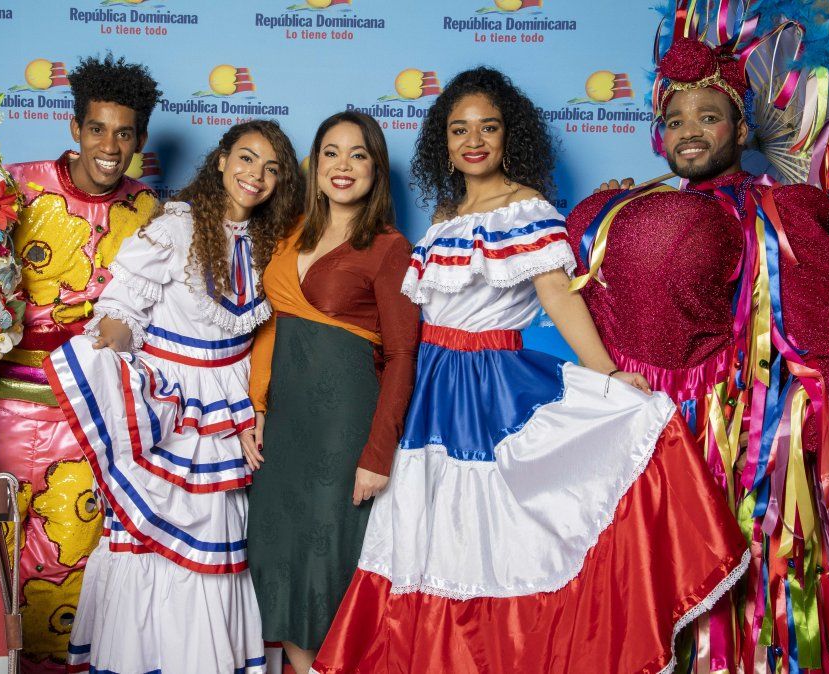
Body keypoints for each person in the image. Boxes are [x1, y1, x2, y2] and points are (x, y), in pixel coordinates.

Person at [311, 67, 749, 674]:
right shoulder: (441, 216)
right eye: (460, 128)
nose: (474, 140)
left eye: (488, 127)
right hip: (427, 392)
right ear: (444, 141)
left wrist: (608, 375)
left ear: (507, 136)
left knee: (490, 547)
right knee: (421, 542)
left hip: (491, 391)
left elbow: (560, 296)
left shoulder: (526, 208)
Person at [566, 38, 829, 673]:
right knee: (649, 590)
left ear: (740, 128)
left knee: (729, 599)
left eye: (709, 117)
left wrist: (799, 423)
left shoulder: (775, 212)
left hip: (727, 431)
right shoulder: (632, 202)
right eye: (675, 120)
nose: (689, 132)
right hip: (639, 427)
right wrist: (610, 212)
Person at [0, 54, 161, 672]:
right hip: (1, 418)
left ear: (140, 141)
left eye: (124, 133)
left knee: (71, 564)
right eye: (98, 129)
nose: (110, 145)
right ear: (74, 129)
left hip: (87, 418)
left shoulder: (151, 213)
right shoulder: (13, 190)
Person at [43, 120, 302, 673]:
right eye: (246, 158)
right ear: (220, 161)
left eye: (271, 168)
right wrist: (108, 355)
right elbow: (120, 309)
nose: (255, 175)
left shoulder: (271, 244)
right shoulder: (176, 228)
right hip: (172, 408)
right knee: (157, 548)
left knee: (224, 547)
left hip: (232, 414)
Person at [245, 110, 420, 674]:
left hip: (344, 433)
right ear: (314, 163)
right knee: (279, 563)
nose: (343, 166)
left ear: (375, 168)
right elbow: (270, 324)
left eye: (358, 154)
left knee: (329, 574)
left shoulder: (390, 247)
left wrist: (377, 454)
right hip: (285, 427)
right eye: (331, 152)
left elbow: (401, 356)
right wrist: (257, 406)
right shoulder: (290, 231)